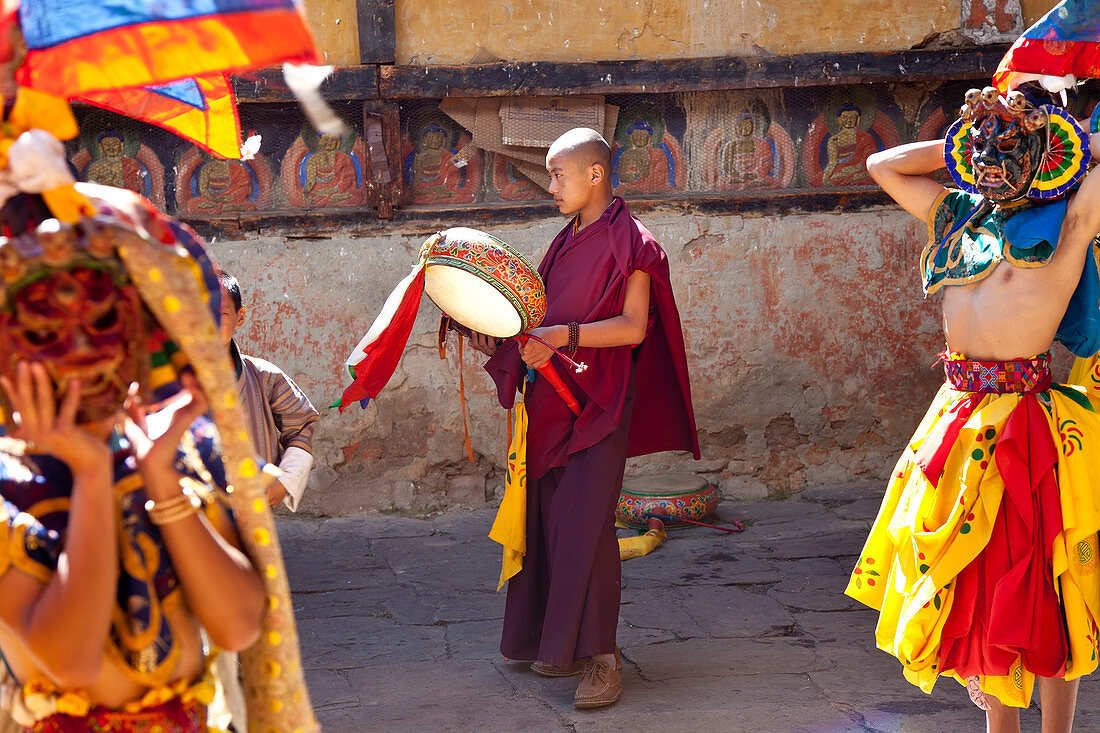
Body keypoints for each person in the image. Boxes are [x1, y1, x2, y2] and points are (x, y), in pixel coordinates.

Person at [844, 81, 1100, 733]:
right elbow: (882, 164)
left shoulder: (1067, 227)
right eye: (981, 141)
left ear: (1046, 149)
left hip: (1026, 427)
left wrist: (1072, 140)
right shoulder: (958, 215)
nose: (990, 156)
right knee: (982, 590)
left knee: (1043, 588)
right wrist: (967, 139)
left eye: (1009, 143)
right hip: (958, 421)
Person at [0, 184, 266, 731]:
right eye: (48, 330)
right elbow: (70, 661)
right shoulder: (8, 479)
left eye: (101, 323)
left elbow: (239, 627)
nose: (80, 352)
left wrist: (161, 478)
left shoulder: (184, 450)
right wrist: (94, 474)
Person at [471, 127, 699, 709]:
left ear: (595, 174)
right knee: (549, 521)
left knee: (586, 528)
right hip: (552, 402)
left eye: (558, 174)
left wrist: (563, 336)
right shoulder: (564, 240)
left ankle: (604, 661)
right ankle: (561, 644)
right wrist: (490, 330)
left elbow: (632, 327)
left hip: (598, 405)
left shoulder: (634, 243)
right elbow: (538, 315)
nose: (551, 186)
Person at [217, 270, 318, 511]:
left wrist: (285, 481)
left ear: (240, 317)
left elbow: (301, 427)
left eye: (219, 314)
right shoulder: (172, 382)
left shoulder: (264, 377)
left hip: (254, 509)